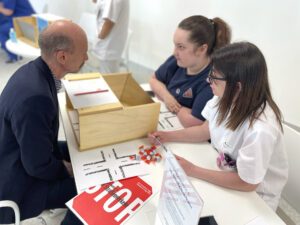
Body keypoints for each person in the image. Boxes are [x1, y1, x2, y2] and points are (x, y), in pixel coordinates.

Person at [149, 42, 288, 211]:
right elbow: (204, 130)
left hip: (254, 198)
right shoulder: (223, 98)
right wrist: (168, 136)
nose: (208, 81)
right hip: (223, 175)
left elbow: (247, 183)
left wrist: (193, 170)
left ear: (237, 86)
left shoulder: (261, 129)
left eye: (214, 77)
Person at [0, 20, 88, 224]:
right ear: (62, 56)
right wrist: (68, 169)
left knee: (76, 149)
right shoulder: (36, 98)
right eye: (83, 52)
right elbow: (37, 166)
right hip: (19, 186)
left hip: (18, 154)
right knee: (90, 186)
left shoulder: (32, 72)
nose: (87, 57)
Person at [150, 15, 231, 128]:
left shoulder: (212, 80)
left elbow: (194, 121)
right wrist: (167, 97)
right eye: (175, 45)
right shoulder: (178, 60)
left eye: (181, 47)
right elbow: (153, 79)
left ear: (202, 49)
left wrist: (170, 104)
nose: (174, 52)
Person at [92, 0, 129, 73]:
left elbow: (109, 21)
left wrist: (99, 37)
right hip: (108, 47)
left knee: (107, 81)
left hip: (108, 48)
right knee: (107, 78)